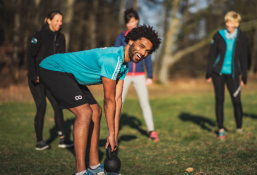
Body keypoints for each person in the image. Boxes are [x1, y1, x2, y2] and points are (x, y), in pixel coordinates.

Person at [38, 25, 161, 175]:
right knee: (84, 113)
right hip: (53, 68)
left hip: (71, 74)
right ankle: (81, 172)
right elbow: (109, 100)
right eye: (141, 46)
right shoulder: (113, 60)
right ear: (130, 41)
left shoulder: (124, 65)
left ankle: (94, 166)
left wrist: (114, 134)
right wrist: (110, 133)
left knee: (96, 111)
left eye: (147, 51)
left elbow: (117, 99)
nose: (143, 53)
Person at [27, 10, 73, 150]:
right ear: (48, 20)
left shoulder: (61, 38)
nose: (59, 23)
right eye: (56, 20)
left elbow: (62, 60)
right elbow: (30, 56)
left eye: (61, 21)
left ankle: (63, 139)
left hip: (51, 78)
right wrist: (34, 75)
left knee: (58, 105)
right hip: (37, 78)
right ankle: (40, 141)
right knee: (41, 106)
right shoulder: (39, 36)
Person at [115, 8, 159, 142]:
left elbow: (149, 57)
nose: (131, 24)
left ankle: (151, 131)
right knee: (119, 103)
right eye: (128, 22)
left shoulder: (144, 38)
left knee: (145, 103)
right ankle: (114, 130)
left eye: (133, 21)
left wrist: (150, 75)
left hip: (140, 75)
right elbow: (116, 55)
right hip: (125, 74)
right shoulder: (121, 37)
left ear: (137, 21)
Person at [205, 11, 248, 140]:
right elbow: (211, 55)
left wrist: (244, 76)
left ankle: (239, 128)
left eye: (231, 22)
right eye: (227, 22)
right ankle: (221, 130)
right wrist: (208, 72)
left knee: (237, 101)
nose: (228, 24)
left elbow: (244, 58)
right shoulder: (218, 35)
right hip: (218, 73)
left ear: (237, 24)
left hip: (234, 74)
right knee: (220, 100)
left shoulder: (241, 37)